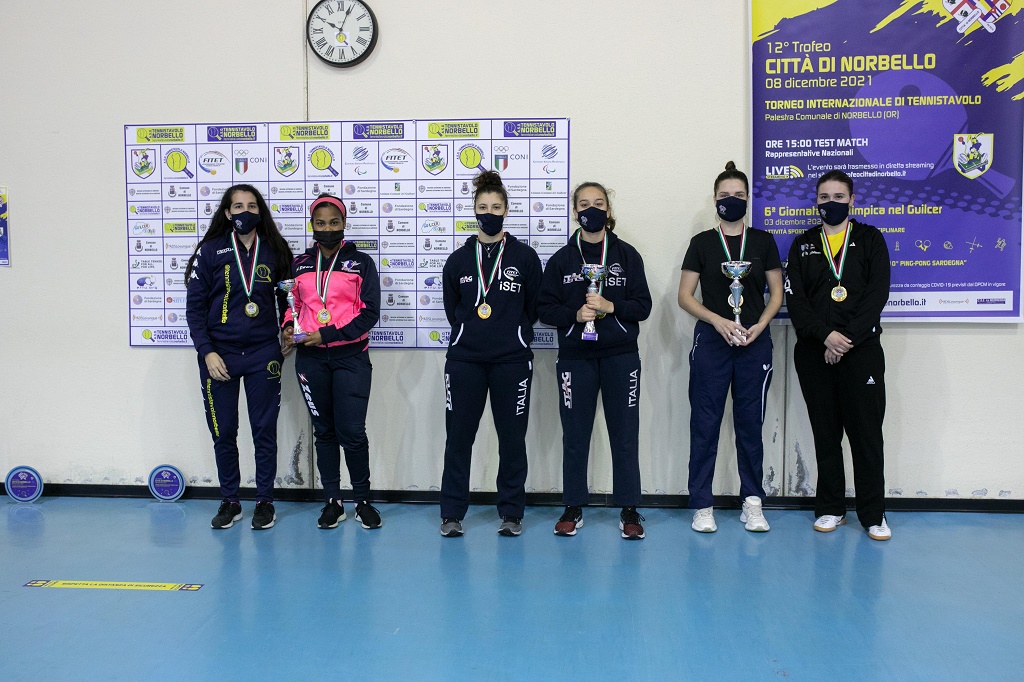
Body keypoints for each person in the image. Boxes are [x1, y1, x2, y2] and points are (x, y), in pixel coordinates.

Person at [538, 182, 653, 539]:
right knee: (575, 434)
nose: (592, 209)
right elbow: (544, 308)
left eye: (599, 203)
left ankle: (629, 508)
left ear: (608, 211)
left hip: (621, 356)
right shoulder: (562, 259)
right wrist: (574, 315)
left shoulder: (627, 255)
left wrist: (611, 306)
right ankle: (573, 506)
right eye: (584, 204)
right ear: (575, 212)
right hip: (576, 358)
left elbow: (643, 306)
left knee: (625, 434)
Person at [785, 169, 891, 540]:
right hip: (815, 352)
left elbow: (877, 295)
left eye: (839, 197)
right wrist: (826, 336)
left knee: (866, 435)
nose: (831, 203)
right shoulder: (803, 244)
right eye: (825, 197)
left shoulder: (870, 239)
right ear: (816, 202)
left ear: (852, 200)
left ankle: (873, 514)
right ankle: (831, 508)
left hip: (861, 352)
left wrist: (844, 339)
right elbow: (796, 301)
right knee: (826, 434)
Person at [678, 162, 783, 533]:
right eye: (725, 195)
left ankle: (752, 502)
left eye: (739, 195)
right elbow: (684, 296)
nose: (732, 200)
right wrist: (718, 321)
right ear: (715, 200)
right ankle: (702, 504)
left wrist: (760, 325)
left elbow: (776, 293)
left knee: (750, 425)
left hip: (754, 342)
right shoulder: (702, 243)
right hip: (712, 341)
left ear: (748, 199)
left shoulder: (763, 241)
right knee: (705, 424)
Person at [438, 171, 542, 538]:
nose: (489, 213)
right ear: (474, 210)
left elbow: (533, 308)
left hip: (511, 361)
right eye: (483, 207)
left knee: (512, 440)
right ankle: (451, 513)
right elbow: (453, 310)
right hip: (464, 361)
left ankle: (511, 513)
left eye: (496, 207)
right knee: (458, 439)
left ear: (506, 211)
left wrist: (513, 333)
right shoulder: (457, 261)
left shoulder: (525, 257)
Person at [185, 184, 293, 530]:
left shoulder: (275, 249)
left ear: (260, 211)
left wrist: (288, 329)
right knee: (224, 432)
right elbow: (195, 309)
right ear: (227, 213)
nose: (245, 211)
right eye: (238, 206)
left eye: (252, 205)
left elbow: (289, 300)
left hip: (264, 354)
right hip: (221, 356)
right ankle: (230, 500)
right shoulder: (210, 250)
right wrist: (207, 352)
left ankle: (264, 501)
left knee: (264, 431)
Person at [282, 194, 382, 530]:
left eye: (334, 223)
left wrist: (326, 335)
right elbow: (293, 305)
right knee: (324, 432)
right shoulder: (299, 265)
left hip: (350, 358)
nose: (327, 229)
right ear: (312, 225)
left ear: (344, 224)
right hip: (310, 361)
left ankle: (362, 500)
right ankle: (332, 501)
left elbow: (369, 314)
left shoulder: (361, 263)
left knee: (352, 433)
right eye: (321, 223)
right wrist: (288, 327)